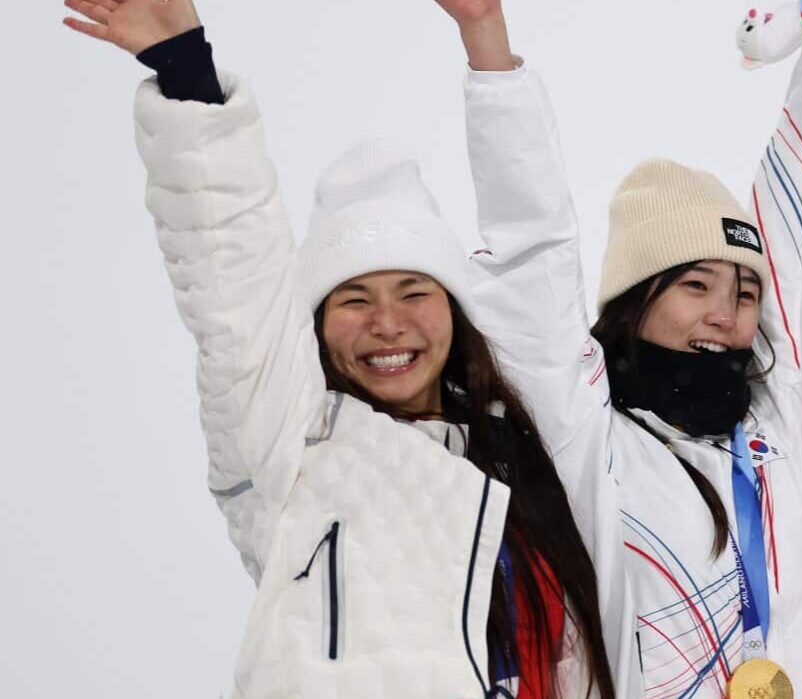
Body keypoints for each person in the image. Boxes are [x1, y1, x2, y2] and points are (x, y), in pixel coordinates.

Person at [62, 0, 613, 696]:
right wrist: (185, 69)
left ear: (456, 312)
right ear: (314, 324)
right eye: (354, 299)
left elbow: (535, 253)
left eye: (414, 291)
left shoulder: (521, 452)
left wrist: (486, 37)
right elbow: (231, 273)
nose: (388, 323)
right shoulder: (286, 444)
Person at [448, 1, 802, 694]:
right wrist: (487, 40)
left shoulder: (769, 422)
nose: (725, 313)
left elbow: (794, 229)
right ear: (635, 301)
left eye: (745, 293)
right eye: (695, 284)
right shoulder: (589, 440)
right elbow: (529, 259)